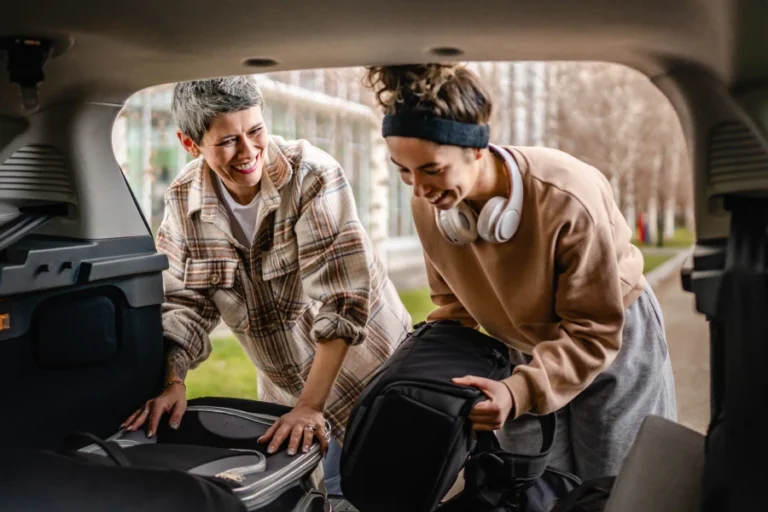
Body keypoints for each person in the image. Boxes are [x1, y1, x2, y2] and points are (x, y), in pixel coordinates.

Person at [363, 63, 676, 481]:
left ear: (477, 149)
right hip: (517, 347)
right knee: (532, 486)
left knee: (615, 486)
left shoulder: (568, 197)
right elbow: (453, 308)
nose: (418, 189)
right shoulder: (431, 206)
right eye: (404, 171)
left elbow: (595, 330)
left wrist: (520, 391)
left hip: (610, 338)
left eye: (432, 169)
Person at [121, 76, 412, 495]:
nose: (248, 151)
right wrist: (174, 381)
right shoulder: (184, 199)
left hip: (368, 377)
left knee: (394, 493)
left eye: (255, 130)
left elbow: (342, 302)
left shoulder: (312, 175)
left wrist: (311, 406)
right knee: (312, 499)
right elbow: (184, 302)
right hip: (284, 392)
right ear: (190, 144)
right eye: (228, 141)